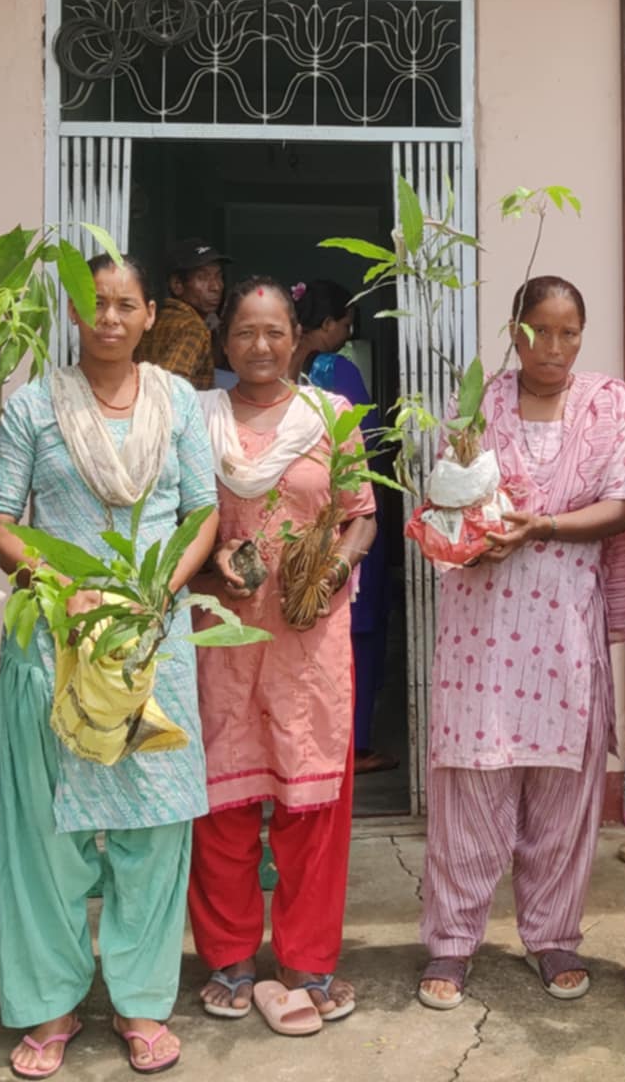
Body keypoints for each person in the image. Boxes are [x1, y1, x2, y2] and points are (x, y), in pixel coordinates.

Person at [0, 253, 219, 1078]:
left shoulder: (179, 401)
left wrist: (164, 593)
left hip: (154, 643)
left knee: (152, 832)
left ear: (151, 315)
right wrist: (60, 587)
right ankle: (50, 1004)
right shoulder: (32, 408)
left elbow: (203, 511)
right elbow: (1, 519)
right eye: (95, 305)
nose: (110, 320)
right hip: (54, 642)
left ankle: (141, 1004)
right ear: (73, 314)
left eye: (126, 306)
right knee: (46, 834)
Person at [416, 277, 625, 1010]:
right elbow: (450, 495)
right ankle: (451, 944)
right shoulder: (478, 403)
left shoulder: (608, 401)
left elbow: (619, 506)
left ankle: (553, 936)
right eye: (540, 330)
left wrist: (538, 528)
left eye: (569, 331)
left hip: (563, 615)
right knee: (472, 783)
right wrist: (475, 539)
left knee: (561, 787)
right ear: (515, 331)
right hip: (483, 614)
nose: (554, 347)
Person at [189, 277, 378, 1036]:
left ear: (297, 334)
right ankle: (230, 959)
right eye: (244, 332)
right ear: (223, 341)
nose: (260, 346)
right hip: (224, 635)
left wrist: (332, 569)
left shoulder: (330, 417)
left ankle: (308, 961)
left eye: (275, 332)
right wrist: (213, 567)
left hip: (309, 636)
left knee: (312, 808)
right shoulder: (195, 419)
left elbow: (361, 515)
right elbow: (180, 525)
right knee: (224, 806)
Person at [293, 279, 396, 776]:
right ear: (331, 324)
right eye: (347, 324)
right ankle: (353, 743)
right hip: (347, 515)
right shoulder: (337, 369)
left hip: (299, 520)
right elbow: (370, 441)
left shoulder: (289, 370)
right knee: (360, 631)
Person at [136, 237, 231, 391]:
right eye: (203, 277)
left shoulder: (154, 318)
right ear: (177, 285)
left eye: (219, 276)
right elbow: (170, 386)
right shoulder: (193, 327)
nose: (216, 286)